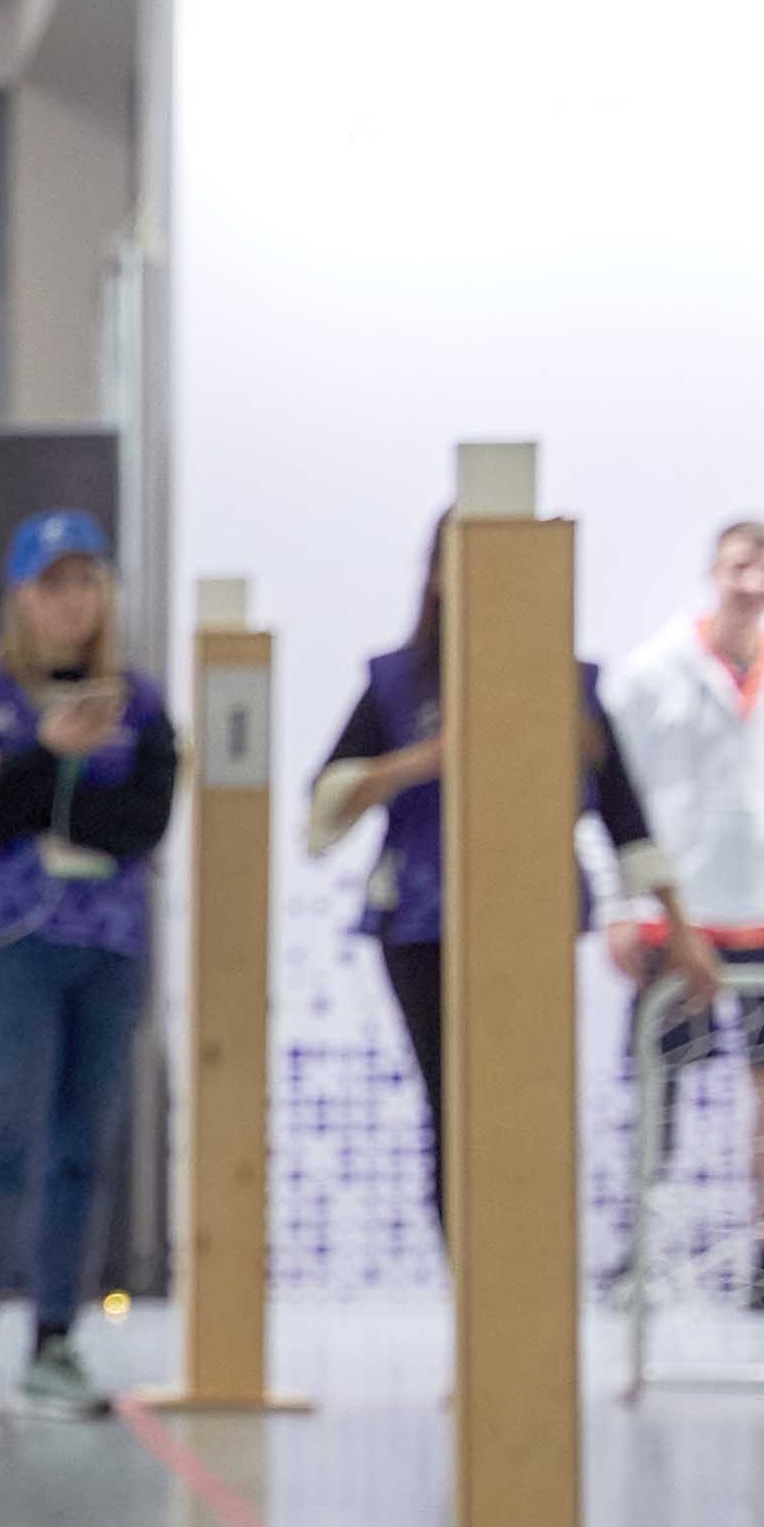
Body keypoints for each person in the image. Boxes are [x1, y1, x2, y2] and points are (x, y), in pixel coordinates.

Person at [303, 510, 706, 1235]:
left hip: (532, 923)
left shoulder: (570, 687)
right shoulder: (398, 682)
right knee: (454, 1110)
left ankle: (529, 1283)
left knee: (530, 1110)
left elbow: (625, 817)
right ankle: (472, 1285)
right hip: (422, 924)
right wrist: (427, 759)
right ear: (436, 576)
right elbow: (325, 808)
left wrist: (682, 929)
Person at [0, 509, 179, 1428]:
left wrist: (19, 787)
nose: (73, 601)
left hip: (108, 948)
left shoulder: (140, 705)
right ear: (21, 595)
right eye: (54, 583)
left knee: (81, 1145)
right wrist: (46, 761)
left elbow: (140, 824)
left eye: (88, 581)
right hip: (7, 946)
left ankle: (57, 1340)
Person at [600, 520, 764, 1312]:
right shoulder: (654, 670)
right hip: (681, 915)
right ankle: (642, 1256)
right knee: (660, 1087)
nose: (752, 583)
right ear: (713, 570)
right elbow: (607, 793)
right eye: (740, 566)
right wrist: (618, 904)